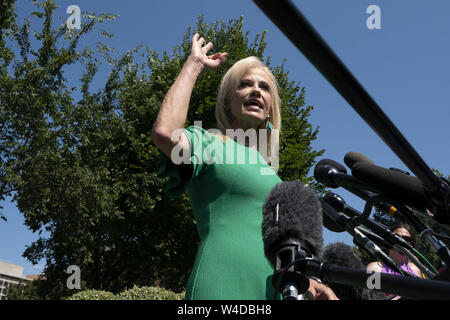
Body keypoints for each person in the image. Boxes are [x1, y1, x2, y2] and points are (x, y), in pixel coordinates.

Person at [152, 33, 337, 300]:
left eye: (264, 87)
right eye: (245, 84)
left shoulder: (273, 176)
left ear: (271, 107)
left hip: (274, 290)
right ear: (228, 102)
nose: (256, 91)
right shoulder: (209, 144)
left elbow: (282, 248)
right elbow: (165, 132)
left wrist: (308, 282)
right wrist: (194, 65)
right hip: (222, 283)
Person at [366, 224, 422, 299]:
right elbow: (370, 297)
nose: (400, 241)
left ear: (411, 245)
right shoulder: (374, 268)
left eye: (406, 239)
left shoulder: (416, 269)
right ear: (388, 241)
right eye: (396, 237)